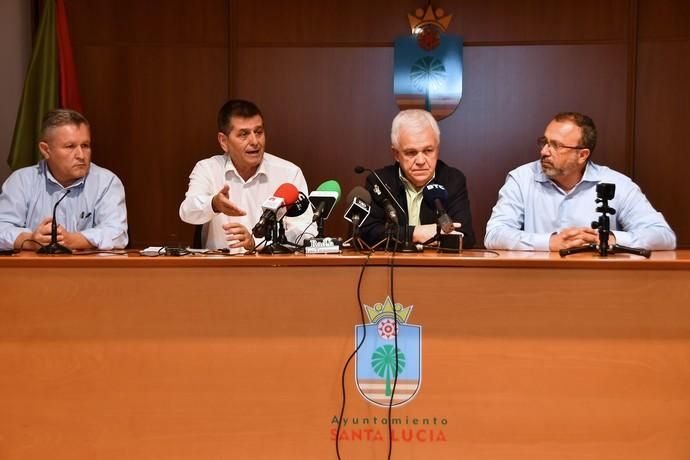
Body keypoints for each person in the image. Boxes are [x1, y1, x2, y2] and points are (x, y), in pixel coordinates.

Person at [484, 112, 676, 251]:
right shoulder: (521, 179)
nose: (544, 151)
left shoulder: (616, 183)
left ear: (582, 155)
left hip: (598, 285)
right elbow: (495, 235)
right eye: (545, 142)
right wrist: (549, 242)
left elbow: (664, 236)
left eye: (556, 146)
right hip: (536, 283)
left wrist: (610, 238)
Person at [179, 99, 313, 251]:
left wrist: (257, 243)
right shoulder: (208, 169)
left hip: (272, 269)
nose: (255, 141)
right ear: (223, 141)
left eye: (259, 132)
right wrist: (214, 204)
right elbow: (187, 212)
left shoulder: (289, 173)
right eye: (244, 134)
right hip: (218, 270)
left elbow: (306, 231)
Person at [0, 109, 128, 251]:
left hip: (87, 272)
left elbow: (118, 233)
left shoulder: (106, 182)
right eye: (70, 146)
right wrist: (30, 240)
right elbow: (2, 228)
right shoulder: (21, 181)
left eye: (85, 145)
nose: (81, 155)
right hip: (33, 272)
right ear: (45, 150)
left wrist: (74, 240)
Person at [359, 109, 475, 248]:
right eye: (411, 152)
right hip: (390, 267)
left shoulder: (452, 180)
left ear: (437, 150)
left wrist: (399, 234)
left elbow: (465, 236)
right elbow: (364, 234)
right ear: (396, 154)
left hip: (438, 268)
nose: (420, 160)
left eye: (428, 151)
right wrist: (415, 233)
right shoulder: (379, 182)